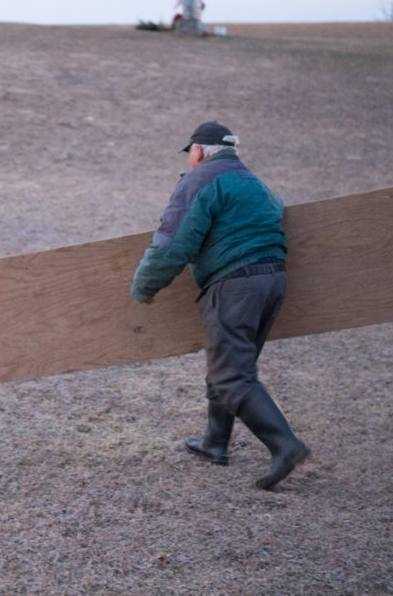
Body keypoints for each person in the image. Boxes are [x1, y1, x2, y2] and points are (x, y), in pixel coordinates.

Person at [130, 122, 310, 490]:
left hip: (235, 284)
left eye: (190, 152)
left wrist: (144, 287)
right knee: (231, 366)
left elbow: (172, 244)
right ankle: (216, 442)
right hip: (273, 279)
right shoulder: (253, 181)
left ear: (198, 150)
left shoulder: (200, 180)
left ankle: (285, 445)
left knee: (232, 376)